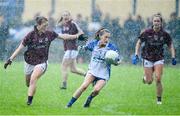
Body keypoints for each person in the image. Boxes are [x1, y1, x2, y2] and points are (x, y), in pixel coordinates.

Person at [4, 16, 83, 105]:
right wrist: (10, 59)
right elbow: (19, 48)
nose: (46, 27)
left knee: (33, 78)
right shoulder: (30, 35)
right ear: (38, 25)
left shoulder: (49, 33)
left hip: (42, 62)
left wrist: (76, 36)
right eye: (44, 25)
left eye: (47, 25)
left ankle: (29, 101)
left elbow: (64, 36)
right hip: (29, 62)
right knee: (28, 83)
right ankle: (30, 91)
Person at [66, 28, 121, 108]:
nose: (107, 39)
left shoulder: (112, 47)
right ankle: (69, 104)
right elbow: (82, 48)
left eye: (109, 37)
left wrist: (116, 63)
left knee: (96, 90)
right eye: (105, 37)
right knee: (84, 86)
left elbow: (118, 60)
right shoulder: (94, 44)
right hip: (93, 71)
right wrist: (80, 46)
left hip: (104, 73)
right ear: (100, 36)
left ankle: (89, 99)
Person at [132, 14, 176, 105]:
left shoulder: (165, 34)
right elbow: (139, 43)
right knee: (149, 81)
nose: (156, 23)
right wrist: (136, 54)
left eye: (158, 21)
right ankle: (145, 78)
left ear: (161, 23)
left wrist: (173, 57)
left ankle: (159, 100)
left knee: (158, 79)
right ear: (152, 22)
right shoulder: (147, 32)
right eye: (155, 21)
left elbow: (170, 45)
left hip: (159, 58)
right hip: (147, 58)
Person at [57, 11, 86, 89]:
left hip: (72, 49)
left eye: (67, 15)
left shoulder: (73, 24)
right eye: (64, 15)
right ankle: (89, 76)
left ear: (70, 16)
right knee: (73, 69)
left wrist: (75, 36)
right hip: (68, 49)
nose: (65, 16)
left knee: (63, 67)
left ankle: (64, 85)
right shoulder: (64, 25)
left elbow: (81, 33)